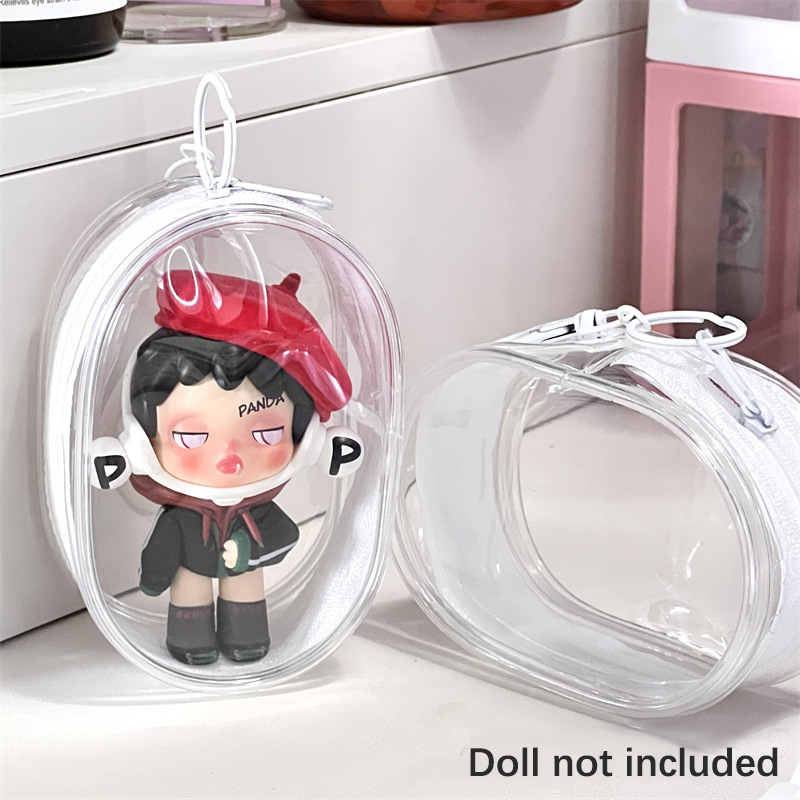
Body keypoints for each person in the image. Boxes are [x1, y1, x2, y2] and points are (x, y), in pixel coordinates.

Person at [124, 269, 354, 665]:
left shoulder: (258, 510)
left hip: (244, 566)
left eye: (266, 433)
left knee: (245, 585)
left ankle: (246, 634)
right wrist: (154, 575)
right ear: (145, 440)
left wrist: (249, 550)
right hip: (192, 562)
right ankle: (189, 636)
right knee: (189, 586)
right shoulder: (180, 515)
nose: (230, 455)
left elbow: (285, 536)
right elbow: (161, 550)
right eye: (191, 437)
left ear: (305, 436)